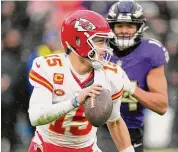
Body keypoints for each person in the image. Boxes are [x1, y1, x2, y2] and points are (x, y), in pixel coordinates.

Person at [28, 10, 136, 152]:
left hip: (86, 148)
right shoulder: (50, 67)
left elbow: (114, 121)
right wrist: (76, 101)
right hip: (47, 146)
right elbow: (36, 117)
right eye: (99, 41)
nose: (104, 49)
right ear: (78, 41)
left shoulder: (111, 75)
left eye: (105, 42)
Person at [98, 1, 169, 152]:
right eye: (119, 26)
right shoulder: (98, 49)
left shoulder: (150, 52)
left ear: (139, 27)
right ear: (111, 27)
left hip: (132, 130)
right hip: (99, 127)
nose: (124, 30)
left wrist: (130, 87)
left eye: (129, 26)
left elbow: (161, 105)